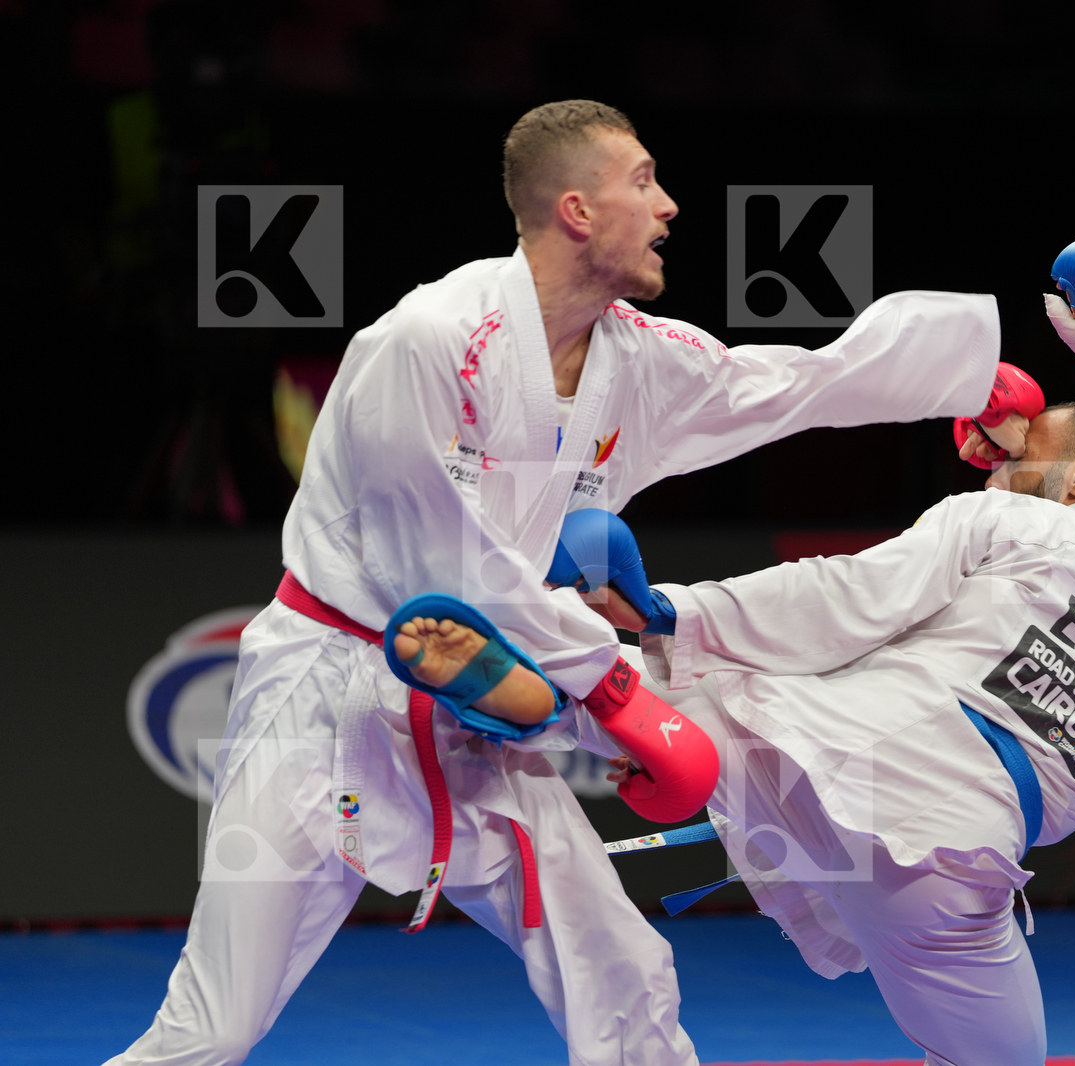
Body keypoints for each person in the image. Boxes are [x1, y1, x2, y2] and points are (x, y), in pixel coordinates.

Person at [111, 99, 1006, 1066]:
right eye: (644, 181)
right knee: (214, 1027)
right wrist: (612, 694)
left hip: (477, 711)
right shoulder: (430, 340)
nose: (668, 206)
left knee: (620, 970)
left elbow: (791, 385)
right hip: (324, 702)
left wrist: (970, 379)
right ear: (576, 209)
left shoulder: (639, 361)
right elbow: (446, 573)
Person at [400, 236, 1075, 1065]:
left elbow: (846, 596)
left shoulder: (1015, 517)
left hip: (853, 755)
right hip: (961, 864)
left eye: (1025, 457)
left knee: (712, 694)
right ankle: (585, 698)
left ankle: (563, 685)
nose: (999, 464)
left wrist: (667, 611)